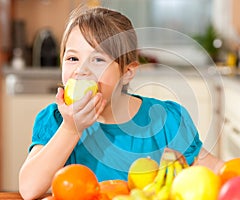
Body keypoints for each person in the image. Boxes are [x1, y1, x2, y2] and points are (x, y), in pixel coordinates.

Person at [19, 5, 224, 200]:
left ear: (127, 73)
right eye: (72, 58)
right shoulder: (56, 121)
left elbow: (218, 172)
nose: (81, 70)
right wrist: (71, 128)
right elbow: (29, 189)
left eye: (98, 60)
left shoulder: (166, 120)